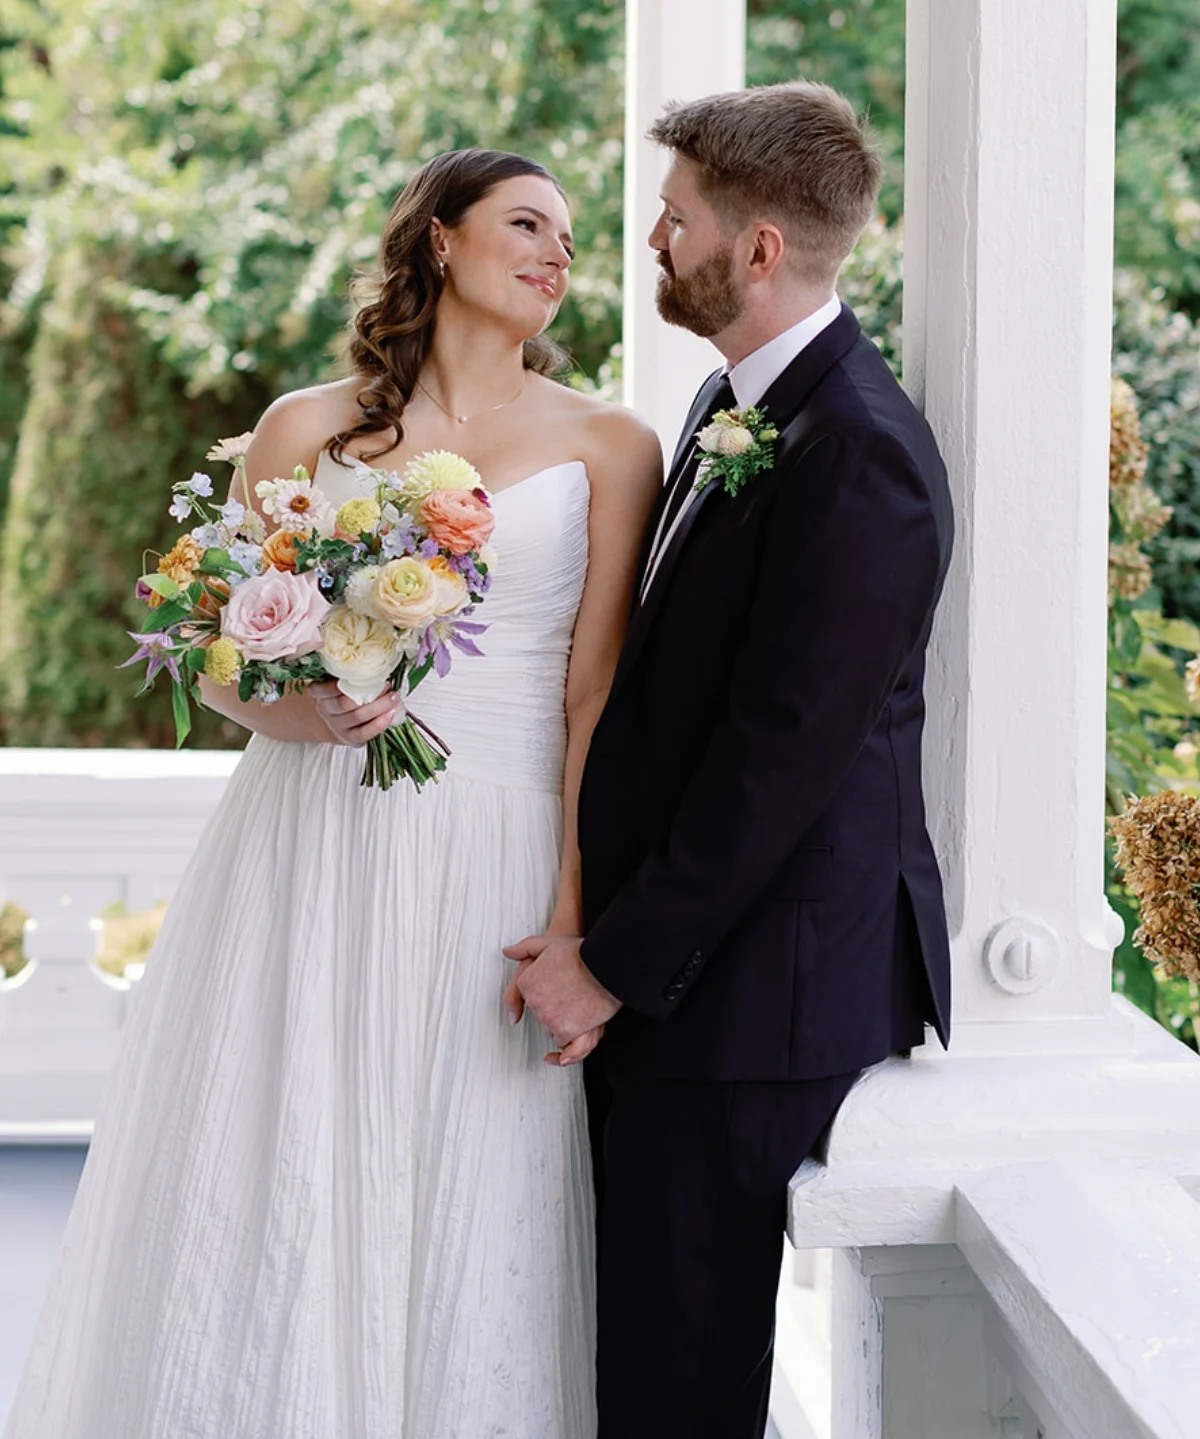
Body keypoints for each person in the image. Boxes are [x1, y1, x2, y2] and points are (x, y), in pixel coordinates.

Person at [4, 148, 660, 1438]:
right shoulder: (306, 430)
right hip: (306, 835)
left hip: (497, 847)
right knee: (278, 1147)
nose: (557, 254)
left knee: (467, 1170)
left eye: (569, 240)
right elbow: (227, 658)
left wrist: (574, 919)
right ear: (439, 240)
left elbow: (594, 701)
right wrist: (300, 710)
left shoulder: (611, 442)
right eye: (527, 223)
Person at [504, 83, 955, 1438]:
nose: (648, 235)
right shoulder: (737, 398)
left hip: (756, 1002)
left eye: (677, 215)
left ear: (757, 250)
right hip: (705, 975)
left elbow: (780, 767)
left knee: (676, 1377)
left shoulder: (862, 453)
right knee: (639, 1353)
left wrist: (615, 965)